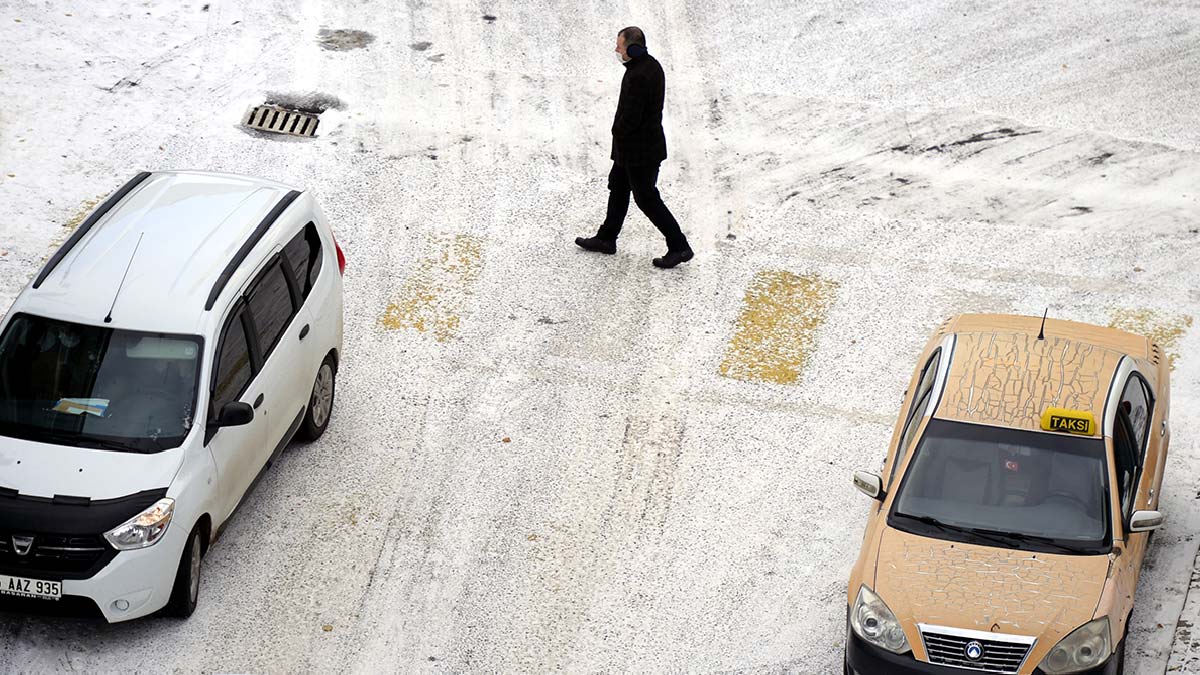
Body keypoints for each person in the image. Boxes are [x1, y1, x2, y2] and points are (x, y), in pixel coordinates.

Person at [575, 26, 693, 269]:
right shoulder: (649, 66)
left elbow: (631, 118)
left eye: (620, 46)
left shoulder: (639, 75)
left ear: (633, 48)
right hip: (632, 149)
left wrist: (617, 132)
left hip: (640, 151)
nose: (616, 50)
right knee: (618, 188)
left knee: (646, 198)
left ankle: (679, 246)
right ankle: (607, 238)